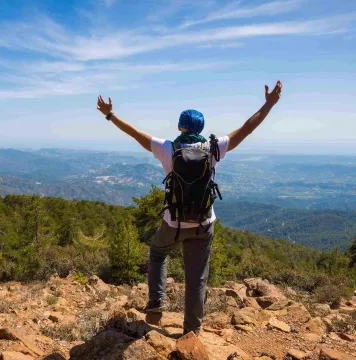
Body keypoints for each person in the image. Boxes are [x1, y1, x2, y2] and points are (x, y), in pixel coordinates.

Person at [96, 80, 283, 335]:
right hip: (204, 224)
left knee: (158, 253)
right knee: (197, 280)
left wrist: (110, 115)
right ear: (202, 128)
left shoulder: (168, 148)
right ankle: (192, 333)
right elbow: (247, 129)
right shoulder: (214, 147)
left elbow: (134, 132)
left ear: (180, 127)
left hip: (173, 223)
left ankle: (155, 302)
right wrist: (269, 104)